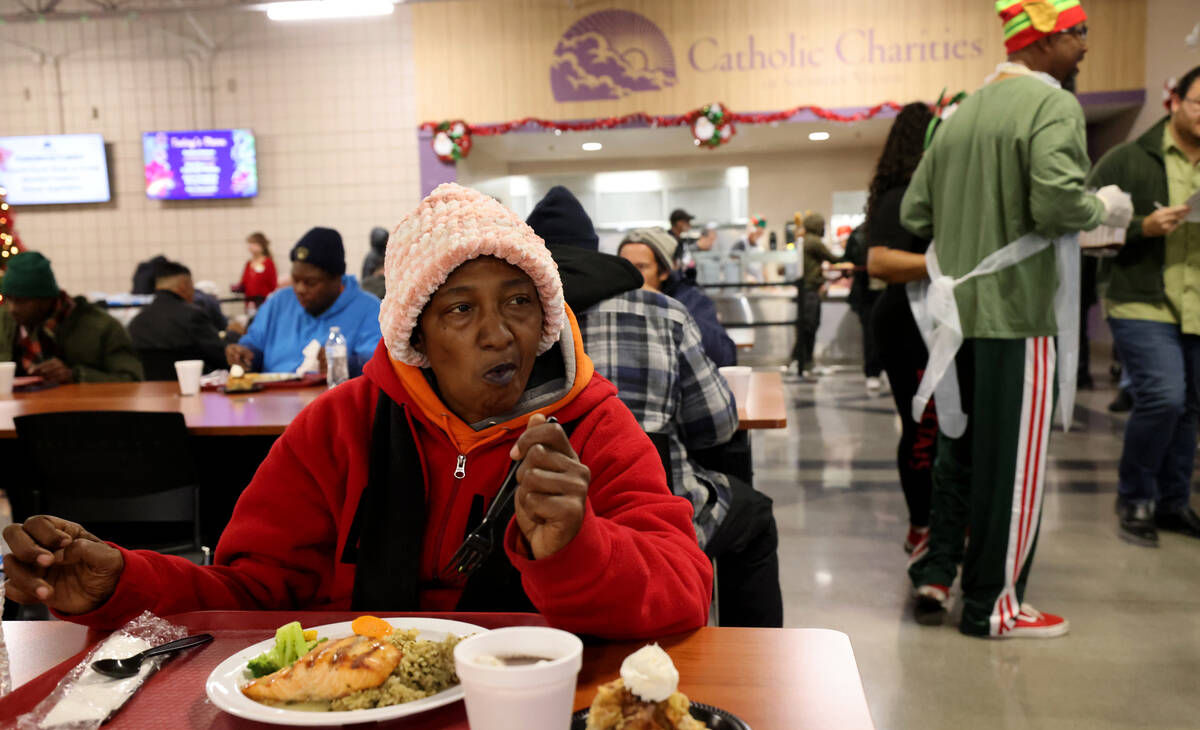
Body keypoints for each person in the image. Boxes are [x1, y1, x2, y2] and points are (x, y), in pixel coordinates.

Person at [1, 183, 712, 639]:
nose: (500, 333)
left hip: (533, 718)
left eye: (520, 302)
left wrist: (579, 546)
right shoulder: (339, 427)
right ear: (414, 336)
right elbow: (251, 593)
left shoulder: (590, 426)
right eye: (461, 308)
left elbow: (684, 589)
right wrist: (125, 583)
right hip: (356, 720)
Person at [900, 0, 1132, 637]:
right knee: (1015, 468)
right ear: (1047, 39)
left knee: (961, 453)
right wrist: (1106, 208)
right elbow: (1059, 205)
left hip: (957, 317)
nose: (1085, 47)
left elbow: (918, 212)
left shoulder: (959, 116)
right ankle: (993, 606)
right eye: (1078, 34)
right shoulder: (1049, 108)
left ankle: (940, 573)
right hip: (1017, 315)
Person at [527, 186, 782, 627]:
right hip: (660, 513)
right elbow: (716, 425)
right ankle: (747, 663)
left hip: (538, 516)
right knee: (755, 517)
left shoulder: (514, 318)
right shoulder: (665, 313)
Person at [1090, 64, 1200, 546]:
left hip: (1195, 300)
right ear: (1175, 100)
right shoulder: (1127, 159)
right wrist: (1143, 228)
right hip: (1139, 297)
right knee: (1163, 396)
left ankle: (1174, 502)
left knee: (1191, 407)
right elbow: (1087, 229)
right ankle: (1135, 496)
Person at [865, 101, 938, 557]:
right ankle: (921, 524)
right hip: (908, 324)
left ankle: (936, 521)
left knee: (935, 426)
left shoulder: (921, 192)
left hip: (926, 321)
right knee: (924, 428)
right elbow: (880, 261)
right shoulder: (900, 196)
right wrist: (949, 266)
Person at [225, 227, 381, 376]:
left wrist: (346, 364)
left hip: (332, 401)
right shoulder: (278, 303)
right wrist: (245, 353)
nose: (300, 289)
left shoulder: (369, 310)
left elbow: (378, 365)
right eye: (296, 280)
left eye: (310, 282)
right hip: (272, 401)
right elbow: (255, 343)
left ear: (337, 278)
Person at [0, 252, 143, 384]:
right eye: (8, 299)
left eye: (22, 301)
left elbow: (132, 380)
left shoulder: (101, 328)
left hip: (80, 409)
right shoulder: (4, 323)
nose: (12, 309)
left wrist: (75, 376)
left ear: (46, 299)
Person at [618, 227, 737, 367]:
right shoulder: (611, 304)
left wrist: (663, 303)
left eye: (641, 267)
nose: (630, 275)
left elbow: (725, 357)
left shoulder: (691, 300)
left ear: (664, 272)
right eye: (624, 267)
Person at [128, 260, 229, 377]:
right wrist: (231, 336)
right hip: (193, 387)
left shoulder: (137, 321)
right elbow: (220, 356)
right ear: (184, 286)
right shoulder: (192, 315)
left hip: (151, 390)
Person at [789, 212, 844, 376]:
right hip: (810, 291)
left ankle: (803, 362)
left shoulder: (805, 240)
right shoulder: (813, 241)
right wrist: (852, 256)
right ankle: (802, 362)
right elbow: (833, 258)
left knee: (807, 326)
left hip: (806, 290)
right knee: (809, 327)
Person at [841, 223, 885, 392]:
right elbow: (848, 260)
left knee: (886, 332)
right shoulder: (858, 234)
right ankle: (873, 372)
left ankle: (882, 369)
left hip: (887, 288)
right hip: (866, 292)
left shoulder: (887, 230)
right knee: (869, 332)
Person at [235, 232, 277, 312]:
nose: (251, 246)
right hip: (250, 303)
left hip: (264, 302)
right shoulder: (249, 263)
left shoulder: (268, 263)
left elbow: (273, 284)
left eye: (254, 243)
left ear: (262, 245)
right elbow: (244, 282)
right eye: (250, 243)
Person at [729, 216, 767, 282]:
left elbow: (763, 267)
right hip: (746, 285)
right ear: (751, 230)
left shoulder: (759, 245)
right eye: (757, 233)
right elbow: (733, 264)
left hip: (759, 285)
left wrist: (767, 283)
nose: (757, 236)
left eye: (759, 234)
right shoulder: (741, 243)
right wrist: (746, 276)